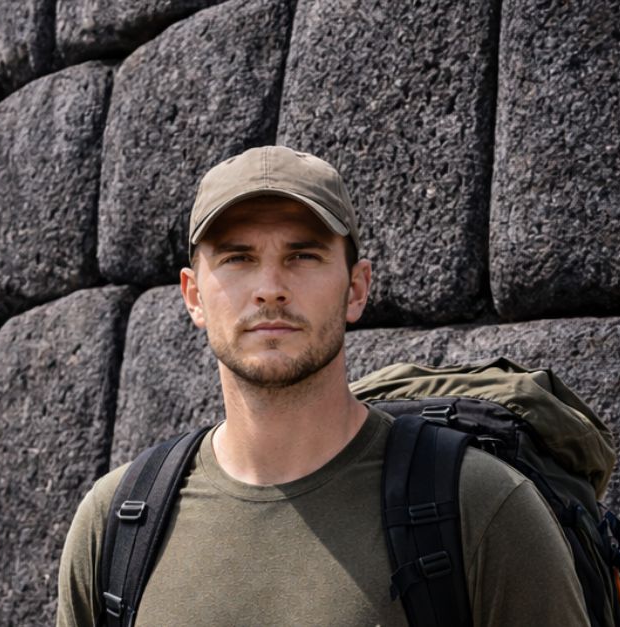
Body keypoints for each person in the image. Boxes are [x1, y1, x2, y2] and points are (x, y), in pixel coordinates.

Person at [56, 146, 589, 626]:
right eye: (238, 258)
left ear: (356, 289)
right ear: (194, 296)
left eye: (303, 256)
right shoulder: (114, 525)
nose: (270, 289)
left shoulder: (483, 508)